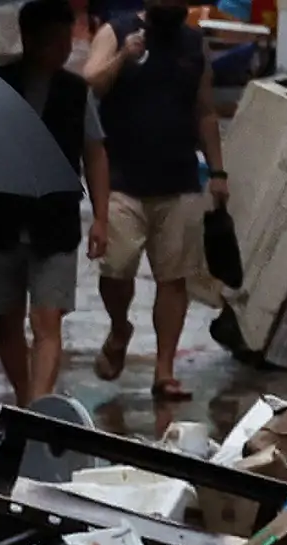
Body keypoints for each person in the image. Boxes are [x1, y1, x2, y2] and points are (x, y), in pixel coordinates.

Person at [81, 0, 221, 399]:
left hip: (178, 179)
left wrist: (218, 172)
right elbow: (90, 83)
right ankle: (120, 325)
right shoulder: (117, 31)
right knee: (116, 270)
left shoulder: (195, 45)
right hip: (122, 179)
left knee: (173, 278)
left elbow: (205, 111)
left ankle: (164, 370)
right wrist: (124, 58)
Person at [0, 0, 106, 401]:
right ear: (28, 38)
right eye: (52, 39)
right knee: (7, 319)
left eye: (66, 39)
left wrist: (101, 216)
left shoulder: (75, 92)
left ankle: (35, 406)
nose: (61, 48)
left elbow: (94, 151)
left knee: (47, 318)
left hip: (57, 221)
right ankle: (25, 398)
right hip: (0, 221)